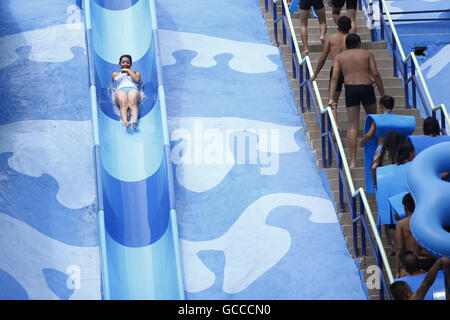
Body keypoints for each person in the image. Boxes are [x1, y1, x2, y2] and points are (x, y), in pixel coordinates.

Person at [329, 33, 385, 168]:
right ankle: (378, 156)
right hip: (366, 87)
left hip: (350, 89)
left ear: (346, 45)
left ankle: (353, 161)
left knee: (352, 126)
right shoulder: (367, 54)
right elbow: (375, 74)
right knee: (376, 121)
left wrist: (331, 98)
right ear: (359, 43)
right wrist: (382, 93)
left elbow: (335, 78)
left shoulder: (339, 58)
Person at [310, 16, 352, 124]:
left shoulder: (331, 39)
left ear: (338, 27)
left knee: (333, 101)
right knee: (352, 102)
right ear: (350, 26)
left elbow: (323, 58)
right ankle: (352, 124)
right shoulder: (353, 39)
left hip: (336, 71)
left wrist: (316, 74)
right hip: (350, 70)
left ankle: (335, 127)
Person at [395, 193, 436, 277]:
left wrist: (397, 271)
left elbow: (399, 248)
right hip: (429, 261)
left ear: (405, 208)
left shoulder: (401, 224)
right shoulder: (427, 221)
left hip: (412, 263)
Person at [112, 54, 141, 128]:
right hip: (121, 90)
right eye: (123, 62)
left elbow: (137, 80)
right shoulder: (115, 74)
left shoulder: (136, 73)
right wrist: (126, 71)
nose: (125, 64)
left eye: (127, 62)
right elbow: (116, 79)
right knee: (123, 103)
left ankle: (134, 120)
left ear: (131, 64)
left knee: (132, 103)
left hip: (133, 89)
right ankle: (125, 122)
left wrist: (129, 71)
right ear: (120, 64)